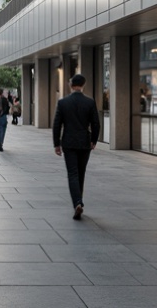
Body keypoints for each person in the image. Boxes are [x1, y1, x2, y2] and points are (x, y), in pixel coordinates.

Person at [53, 73, 101, 220]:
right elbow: (96, 123)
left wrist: (57, 144)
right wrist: (93, 140)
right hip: (84, 142)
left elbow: (57, 124)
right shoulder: (90, 102)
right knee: (81, 173)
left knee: (72, 173)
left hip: (69, 142)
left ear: (71, 85)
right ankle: (78, 201)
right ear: (83, 85)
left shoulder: (63, 103)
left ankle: (77, 203)